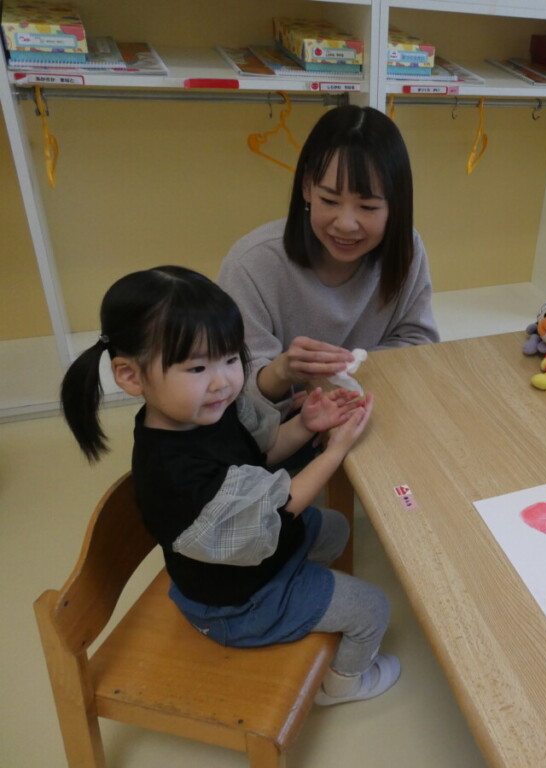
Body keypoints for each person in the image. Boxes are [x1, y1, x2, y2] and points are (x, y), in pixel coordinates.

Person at [60, 266, 399, 706]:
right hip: (236, 606)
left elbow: (259, 455)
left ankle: (305, 590)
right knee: (374, 609)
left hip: (254, 561)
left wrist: (306, 424)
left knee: (335, 527)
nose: (223, 381)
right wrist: (334, 451)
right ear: (130, 376)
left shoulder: (205, 411)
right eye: (198, 367)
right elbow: (280, 509)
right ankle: (343, 686)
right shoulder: (174, 474)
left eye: (230, 359)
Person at [218, 105, 440, 416]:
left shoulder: (407, 249)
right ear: (307, 187)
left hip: (371, 410)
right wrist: (282, 372)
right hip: (279, 430)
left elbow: (418, 342)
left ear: (395, 205)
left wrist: (342, 380)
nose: (345, 224)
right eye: (330, 200)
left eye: (368, 207)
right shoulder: (252, 265)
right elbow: (230, 390)